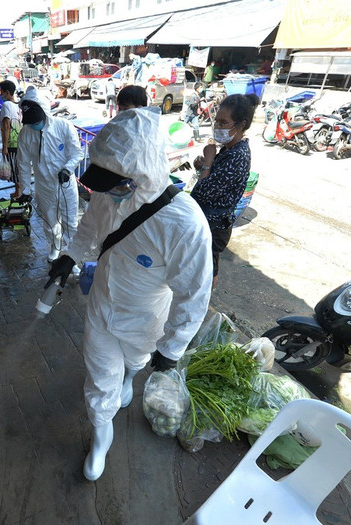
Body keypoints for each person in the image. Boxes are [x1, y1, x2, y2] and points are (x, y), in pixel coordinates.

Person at [47, 107, 213, 481]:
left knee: (135, 363)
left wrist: (172, 349)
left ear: (144, 172)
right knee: (100, 379)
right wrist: (69, 256)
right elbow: (89, 226)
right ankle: (100, 437)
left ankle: (128, 380)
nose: (106, 190)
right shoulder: (111, 193)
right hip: (103, 306)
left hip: (145, 319)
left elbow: (194, 293)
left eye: (115, 182)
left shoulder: (185, 224)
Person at [191, 94, 258, 289]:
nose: (218, 128)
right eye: (217, 122)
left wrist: (209, 161)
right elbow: (214, 180)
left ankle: (203, 302)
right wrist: (203, 165)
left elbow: (203, 191)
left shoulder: (238, 155)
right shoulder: (229, 149)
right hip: (208, 221)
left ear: (240, 125)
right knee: (202, 267)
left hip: (215, 226)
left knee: (207, 270)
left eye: (223, 123)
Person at [17, 86, 83, 262]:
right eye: (30, 122)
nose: (33, 125)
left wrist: (67, 169)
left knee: (70, 222)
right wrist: (25, 190)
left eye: (36, 120)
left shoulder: (64, 126)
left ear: (45, 112)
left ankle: (70, 256)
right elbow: (23, 163)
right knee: (49, 220)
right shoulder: (25, 133)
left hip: (65, 183)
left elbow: (77, 153)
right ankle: (54, 247)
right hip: (43, 185)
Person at [0, 80, 23, 199]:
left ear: (7, 92)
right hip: (20, 142)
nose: (0, 94)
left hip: (12, 143)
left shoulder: (6, 105)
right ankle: (19, 190)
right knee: (18, 167)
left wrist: (4, 146)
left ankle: (18, 191)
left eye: (1, 92)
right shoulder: (18, 105)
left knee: (14, 169)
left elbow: (6, 126)